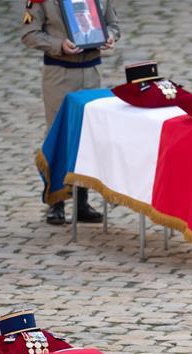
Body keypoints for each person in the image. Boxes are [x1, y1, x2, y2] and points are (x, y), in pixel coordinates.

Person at [22, 0, 121, 225]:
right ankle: (56, 202)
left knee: (86, 136)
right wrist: (59, 44)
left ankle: (81, 201)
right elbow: (29, 34)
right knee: (59, 135)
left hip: (91, 73)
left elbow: (113, 24)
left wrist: (109, 35)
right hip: (60, 74)